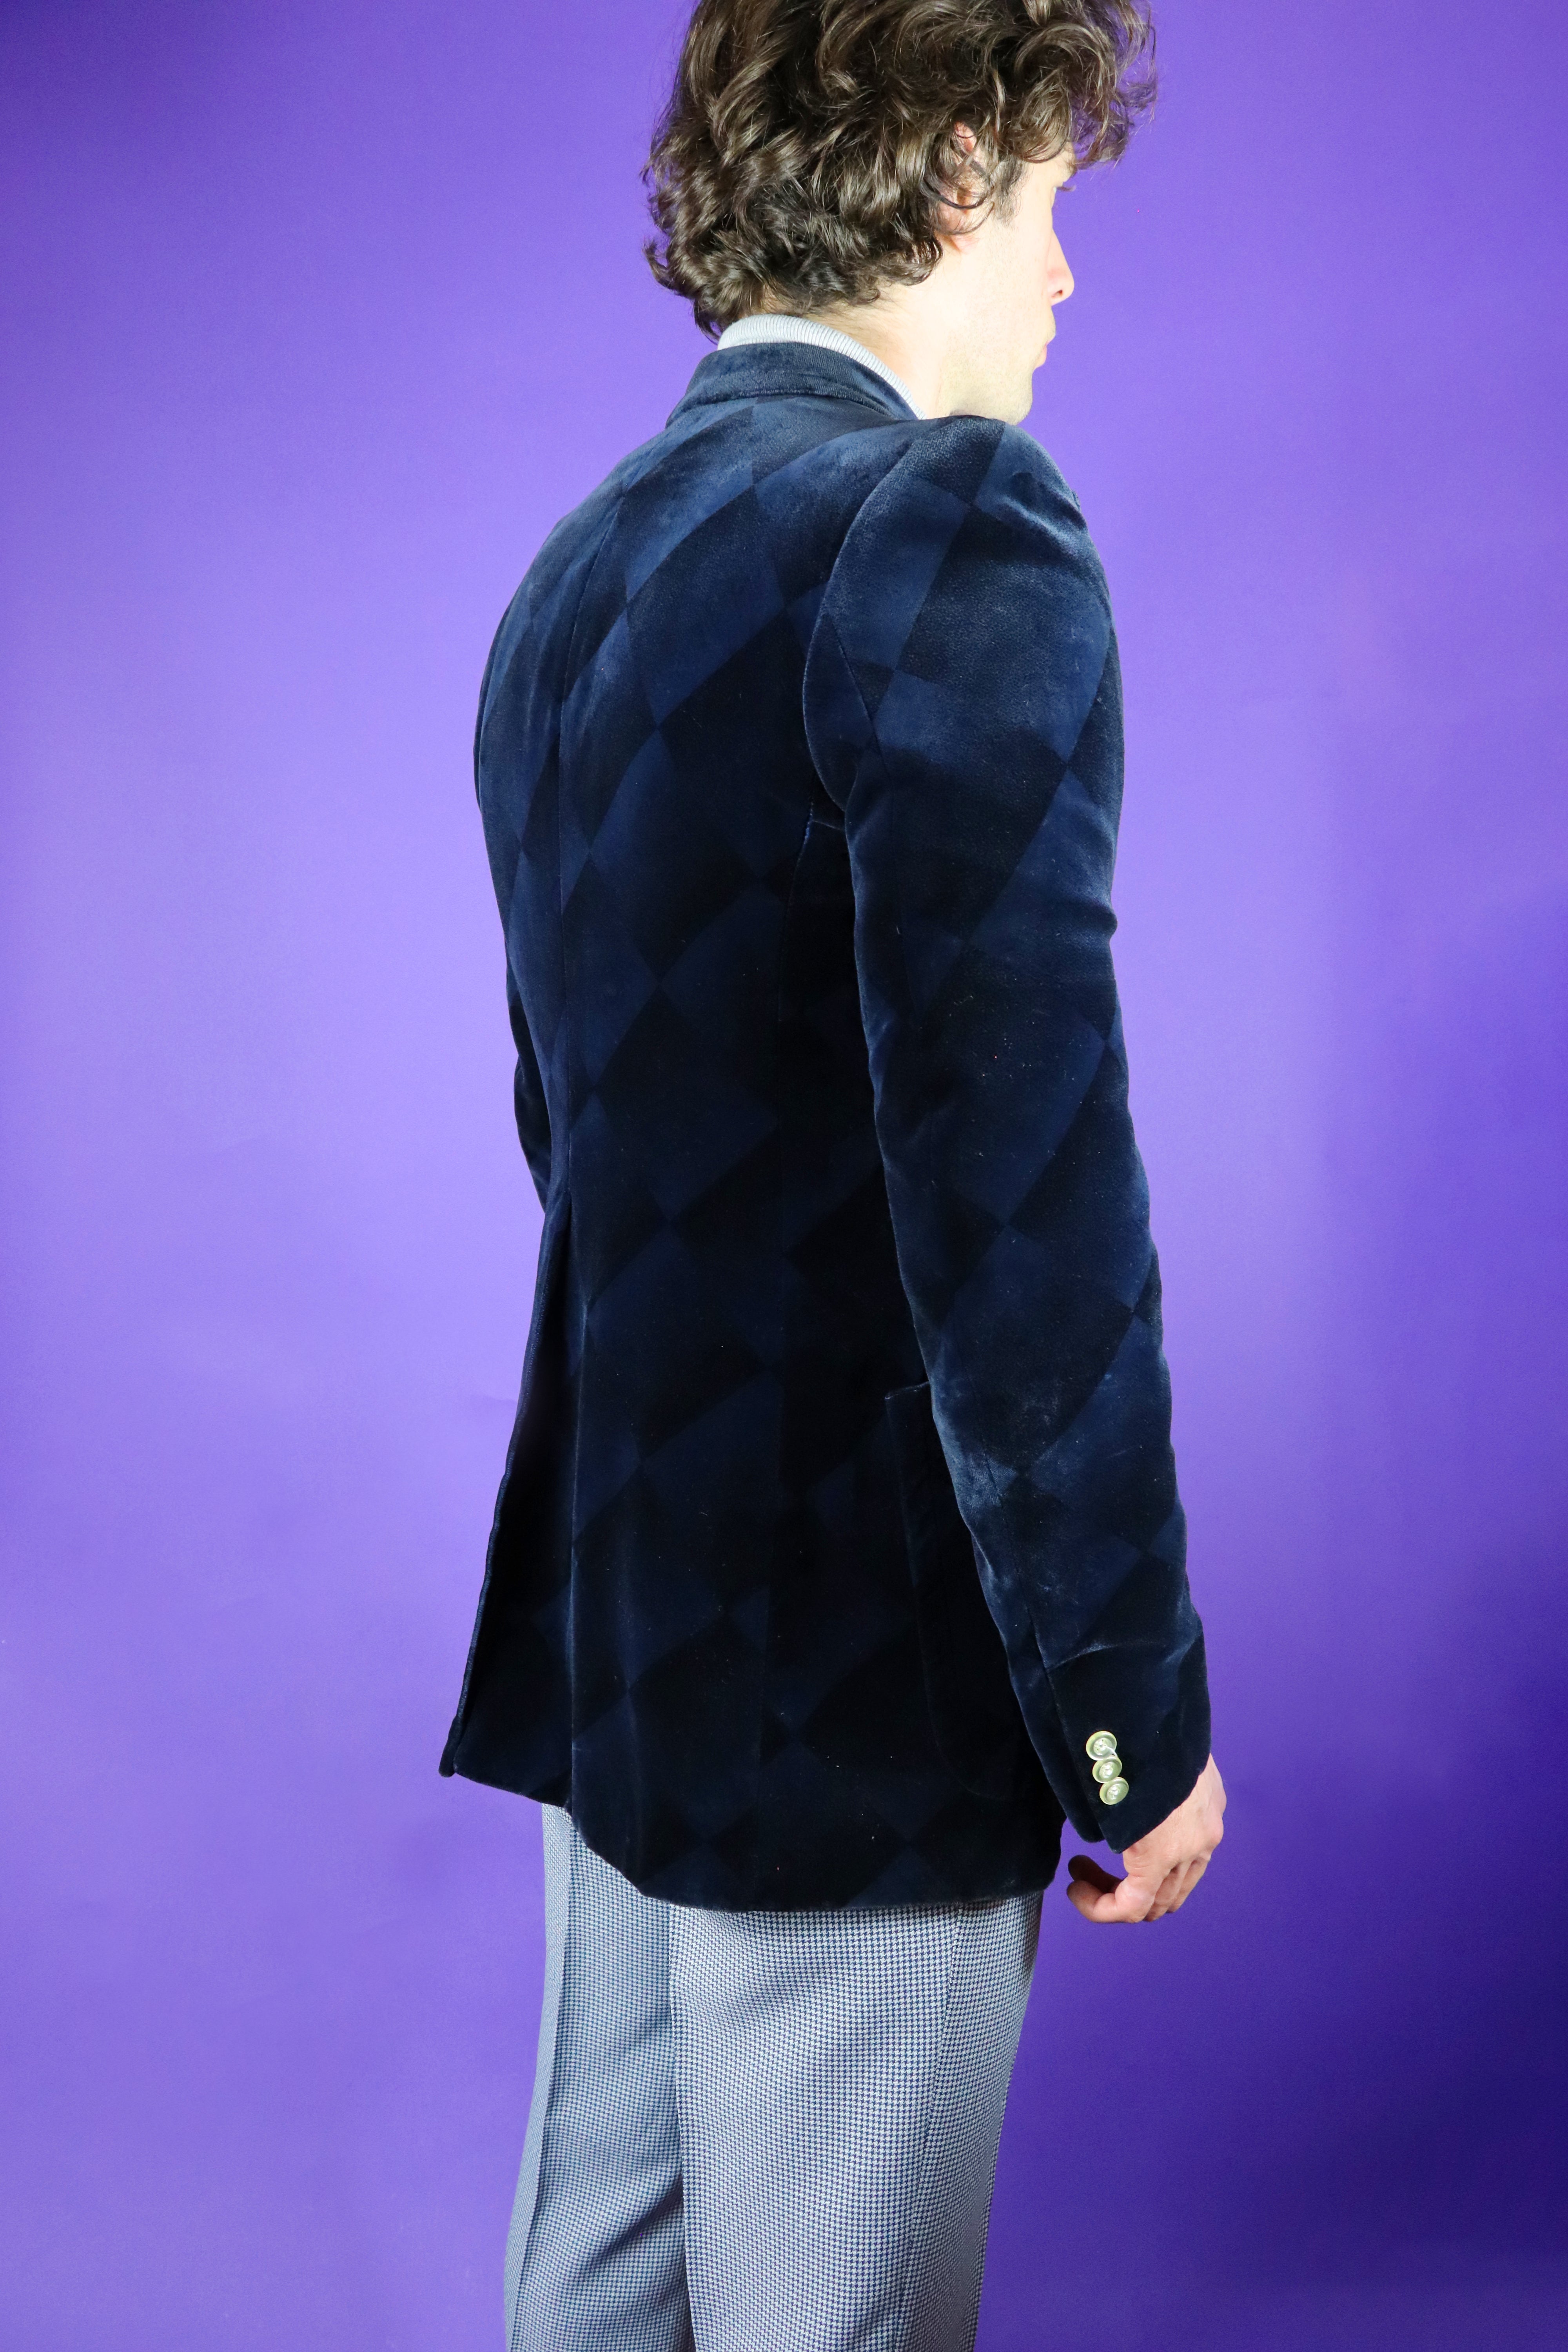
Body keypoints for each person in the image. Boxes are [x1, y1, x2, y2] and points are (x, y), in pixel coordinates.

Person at [441, 3, 1225, 2344]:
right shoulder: (947, 524)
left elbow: (570, 1129)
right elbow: (1024, 1205)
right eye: (1055, 205)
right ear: (958, 164)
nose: (1065, 277)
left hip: (619, 1647)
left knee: (597, 2300)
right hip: (859, 1700)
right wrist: (1132, 1718)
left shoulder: (572, 582)